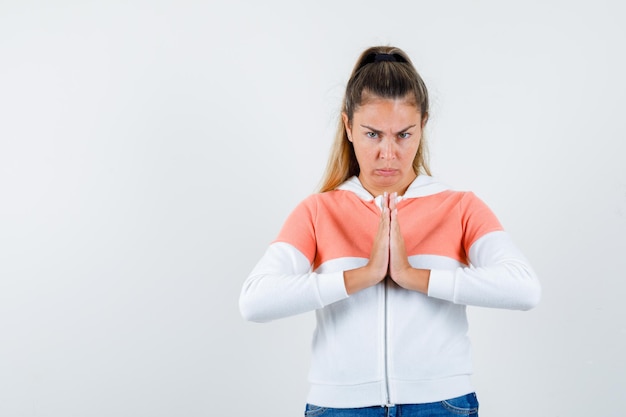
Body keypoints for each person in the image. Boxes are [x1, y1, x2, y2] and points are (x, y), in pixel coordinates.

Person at [239, 45, 541, 417]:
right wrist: (362, 276)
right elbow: (254, 300)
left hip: (442, 404)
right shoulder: (319, 211)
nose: (388, 153)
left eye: (403, 134)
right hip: (340, 406)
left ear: (423, 126)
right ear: (348, 126)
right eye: (372, 134)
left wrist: (415, 277)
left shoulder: (459, 206)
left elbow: (524, 288)